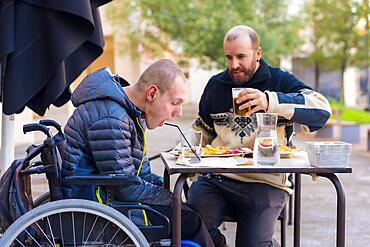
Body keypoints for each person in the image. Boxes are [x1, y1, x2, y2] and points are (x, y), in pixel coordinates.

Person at [188, 25, 332, 247]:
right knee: (189, 226)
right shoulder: (216, 85)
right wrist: (190, 166)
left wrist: (270, 102)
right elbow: (202, 132)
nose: (234, 65)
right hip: (218, 179)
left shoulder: (279, 80)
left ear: (258, 53)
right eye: (229, 57)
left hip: (266, 181)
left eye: (241, 57)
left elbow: (322, 111)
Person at [61, 59, 215, 247]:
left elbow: (138, 174)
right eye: (175, 103)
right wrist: (170, 197)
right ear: (152, 93)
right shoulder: (112, 117)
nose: (179, 112)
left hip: (108, 196)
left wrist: (163, 187)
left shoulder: (127, 113)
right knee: (191, 221)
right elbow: (124, 187)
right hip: (97, 206)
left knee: (190, 215)